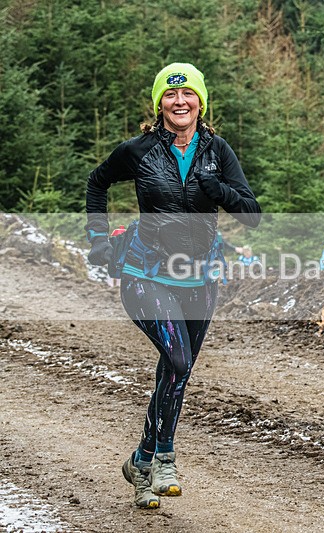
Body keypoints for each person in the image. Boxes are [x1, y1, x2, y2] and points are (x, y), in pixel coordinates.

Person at [84, 62, 261, 508]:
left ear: (201, 101)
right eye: (170, 95)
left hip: (199, 277)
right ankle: (163, 457)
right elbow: (97, 183)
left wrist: (217, 190)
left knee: (177, 368)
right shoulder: (140, 150)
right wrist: (98, 241)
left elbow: (252, 214)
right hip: (145, 273)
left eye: (188, 95)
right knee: (178, 357)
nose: (179, 102)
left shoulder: (218, 151)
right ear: (159, 102)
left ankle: (140, 463)